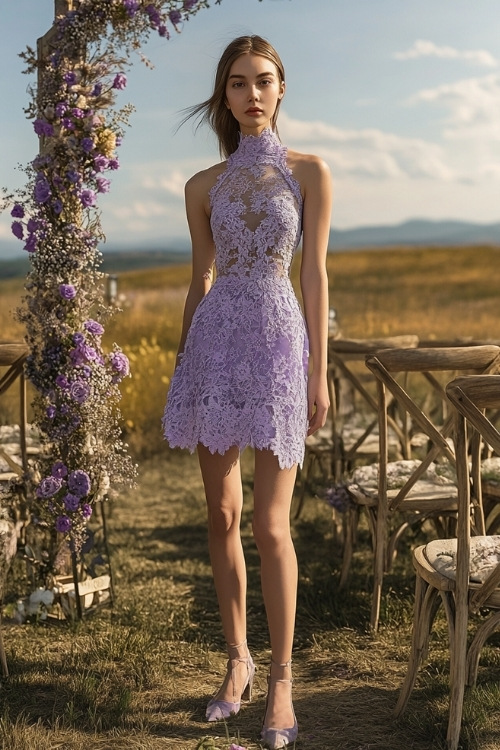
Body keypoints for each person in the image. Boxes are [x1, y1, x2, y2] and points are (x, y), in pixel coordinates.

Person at [163, 35, 332, 749]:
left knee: (270, 523)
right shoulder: (201, 186)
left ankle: (284, 679)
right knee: (223, 513)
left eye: (263, 81)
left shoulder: (309, 172)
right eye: (238, 83)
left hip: (279, 346)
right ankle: (238, 661)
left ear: (281, 89)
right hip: (214, 345)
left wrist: (318, 369)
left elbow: (314, 275)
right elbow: (201, 276)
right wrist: (182, 362)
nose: (252, 94)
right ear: (225, 97)